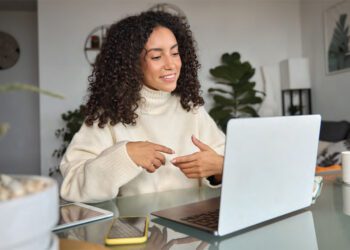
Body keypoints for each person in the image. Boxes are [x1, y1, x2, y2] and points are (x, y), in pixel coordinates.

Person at [60, 11, 225, 203]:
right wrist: (125, 156)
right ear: (131, 64)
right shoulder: (108, 116)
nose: (171, 64)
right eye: (156, 57)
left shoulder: (191, 109)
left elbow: (232, 166)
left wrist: (220, 168)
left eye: (174, 53)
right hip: (136, 230)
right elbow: (72, 186)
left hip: (193, 226)